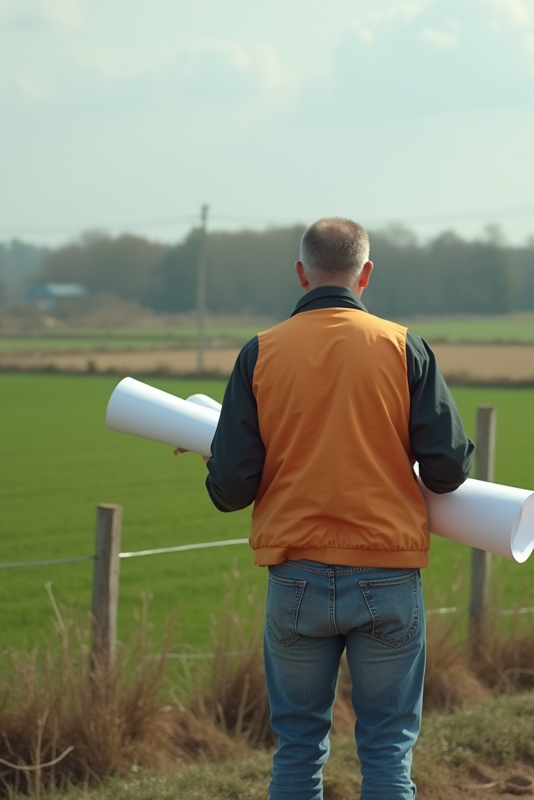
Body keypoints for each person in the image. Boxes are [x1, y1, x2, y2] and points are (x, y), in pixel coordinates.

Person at [202, 217, 473, 800]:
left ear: (301, 273)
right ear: (365, 274)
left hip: (295, 575)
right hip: (388, 574)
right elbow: (449, 469)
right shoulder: (403, 348)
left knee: (298, 748)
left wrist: (214, 458)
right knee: (388, 748)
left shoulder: (260, 353)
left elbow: (230, 489)